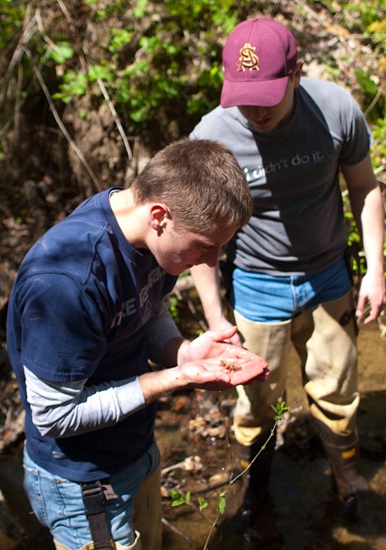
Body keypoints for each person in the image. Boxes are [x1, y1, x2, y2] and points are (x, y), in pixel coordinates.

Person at [6, 138, 270, 550]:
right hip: (83, 481)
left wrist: (180, 351)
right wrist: (175, 377)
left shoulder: (150, 239)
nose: (213, 262)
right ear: (160, 215)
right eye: (205, 245)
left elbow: (150, 309)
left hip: (135, 450)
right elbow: (53, 415)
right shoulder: (66, 285)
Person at [190, 17, 385, 526]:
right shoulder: (213, 136)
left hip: (328, 276)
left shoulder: (336, 110)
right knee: (255, 403)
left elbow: (365, 188)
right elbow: (200, 235)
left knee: (338, 391)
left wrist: (376, 271)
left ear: (296, 73)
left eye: (267, 95)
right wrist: (216, 318)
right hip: (256, 284)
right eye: (243, 96)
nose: (255, 109)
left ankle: (348, 478)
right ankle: (253, 492)